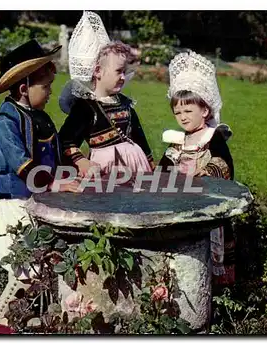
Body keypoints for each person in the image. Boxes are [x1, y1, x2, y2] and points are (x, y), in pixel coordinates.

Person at [0, 39, 80, 326]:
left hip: (38, 199)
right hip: (16, 203)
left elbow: (55, 156)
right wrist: (54, 184)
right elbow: (22, 164)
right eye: (46, 86)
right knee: (25, 265)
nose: (51, 92)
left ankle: (31, 314)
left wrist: (75, 171)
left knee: (44, 257)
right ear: (24, 88)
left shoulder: (40, 118)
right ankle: (0, 315)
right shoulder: (5, 121)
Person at [158, 51, 236, 286]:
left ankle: (214, 290)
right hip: (182, 199)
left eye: (188, 111)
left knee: (208, 242)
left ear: (204, 110)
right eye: (178, 112)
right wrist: (160, 176)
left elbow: (224, 162)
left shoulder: (213, 136)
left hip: (206, 200)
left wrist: (207, 171)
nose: (182, 117)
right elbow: (165, 165)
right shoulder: (178, 141)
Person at [58, 11, 154, 178]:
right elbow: (65, 139)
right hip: (106, 170)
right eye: (118, 71)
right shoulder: (86, 107)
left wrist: (150, 162)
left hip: (136, 166)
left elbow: (138, 135)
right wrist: (81, 160)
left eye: (124, 71)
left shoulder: (124, 102)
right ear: (98, 71)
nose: (123, 77)